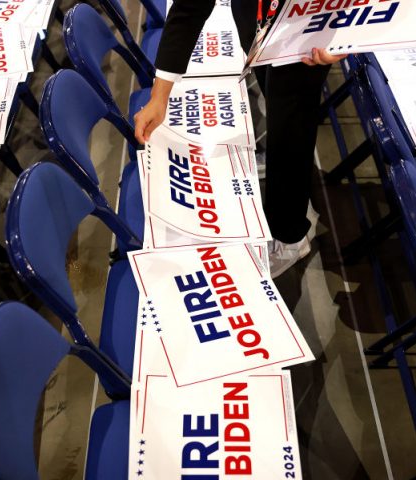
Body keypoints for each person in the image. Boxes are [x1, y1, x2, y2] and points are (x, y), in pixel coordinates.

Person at [134, 0, 347, 278]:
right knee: (276, 105)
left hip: (309, 32)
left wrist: (346, 39)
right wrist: (160, 94)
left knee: (292, 128)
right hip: (256, 20)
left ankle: (291, 236)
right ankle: (283, 184)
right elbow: (190, 7)